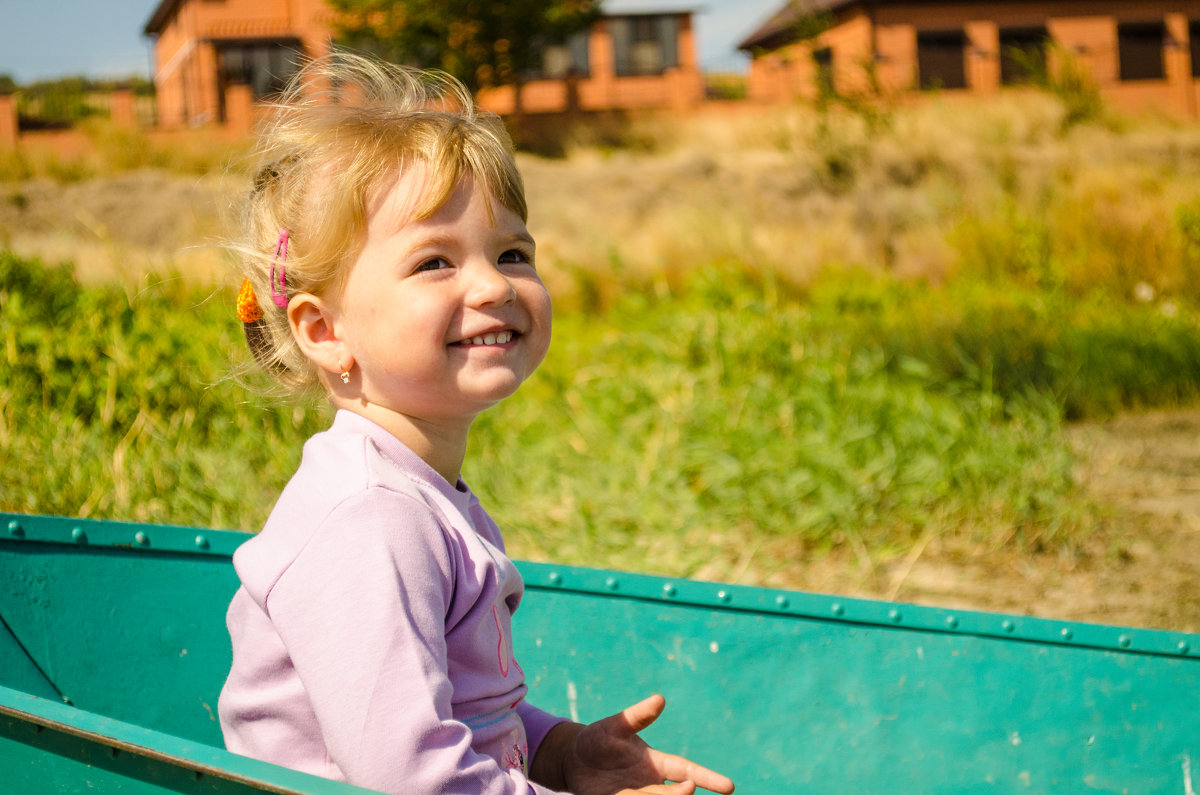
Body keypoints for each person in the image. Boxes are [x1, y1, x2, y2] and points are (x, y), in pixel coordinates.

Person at [217, 53, 735, 795]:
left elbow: (456, 711)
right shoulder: (370, 523)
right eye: (434, 261)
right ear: (325, 330)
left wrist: (557, 751)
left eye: (512, 252)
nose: (494, 284)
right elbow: (408, 778)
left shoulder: (419, 491)